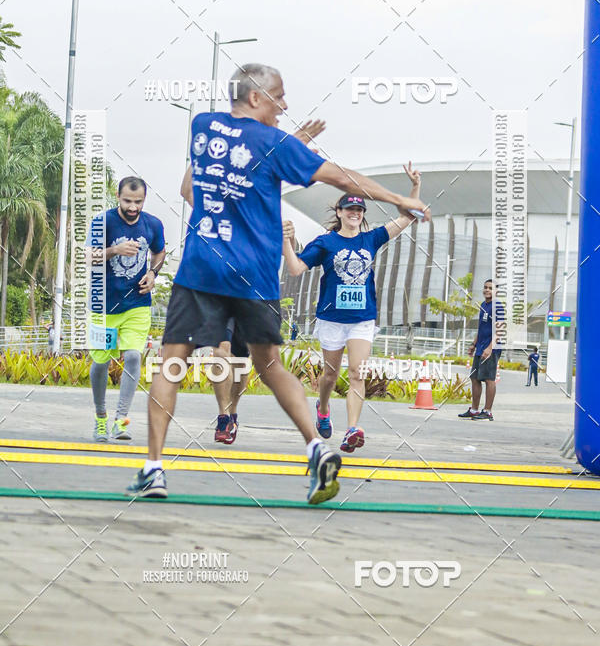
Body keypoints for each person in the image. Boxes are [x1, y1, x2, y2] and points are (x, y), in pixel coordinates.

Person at [127, 63, 429, 501]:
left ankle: (154, 468)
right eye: (279, 96)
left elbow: (191, 189)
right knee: (270, 367)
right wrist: (401, 198)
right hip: (254, 275)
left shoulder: (202, 125)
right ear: (255, 97)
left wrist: (291, 145)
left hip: (202, 270)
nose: (285, 105)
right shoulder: (273, 143)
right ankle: (316, 448)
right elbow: (342, 178)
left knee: (172, 364)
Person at [179, 120, 325, 446]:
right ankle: (221, 413)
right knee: (221, 349)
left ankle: (232, 410)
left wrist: (288, 237)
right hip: (218, 286)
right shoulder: (215, 201)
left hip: (255, 292)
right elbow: (187, 191)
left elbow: (292, 256)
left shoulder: (266, 207)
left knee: (244, 361)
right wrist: (199, 157)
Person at [282, 163, 422, 452]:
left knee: (358, 372)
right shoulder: (325, 242)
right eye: (349, 209)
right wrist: (286, 242)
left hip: (362, 319)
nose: (355, 214)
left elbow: (409, 216)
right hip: (332, 319)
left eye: (359, 210)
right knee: (330, 376)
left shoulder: (372, 238)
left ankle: (352, 429)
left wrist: (415, 187)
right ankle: (322, 408)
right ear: (339, 213)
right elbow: (296, 268)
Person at [86, 177, 165, 443]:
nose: (133, 207)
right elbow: (86, 256)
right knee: (101, 362)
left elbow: (160, 252)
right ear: (118, 197)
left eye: (138, 202)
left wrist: (153, 272)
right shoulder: (103, 222)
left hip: (137, 303)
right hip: (103, 304)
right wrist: (114, 250)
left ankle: (121, 420)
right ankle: (100, 419)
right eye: (127, 201)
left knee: (133, 356)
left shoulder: (153, 224)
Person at [459, 279, 505, 421]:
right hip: (481, 347)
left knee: (489, 379)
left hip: (492, 348)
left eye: (490, 288)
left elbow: (500, 328)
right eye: (485, 287)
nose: (487, 290)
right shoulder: (484, 305)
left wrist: (490, 348)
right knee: (474, 378)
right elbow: (481, 328)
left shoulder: (497, 306)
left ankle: (488, 411)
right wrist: (474, 344)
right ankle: (474, 409)